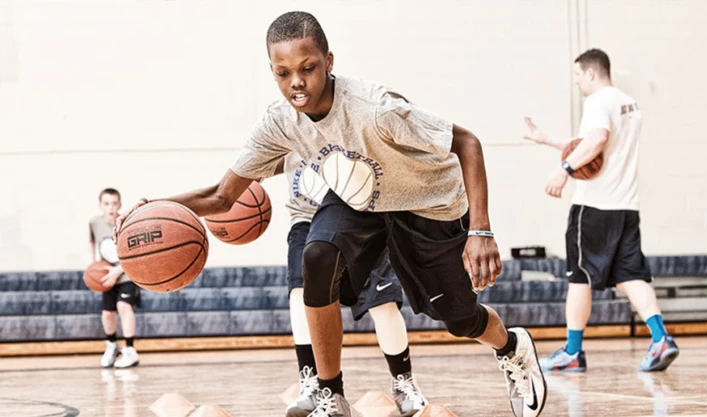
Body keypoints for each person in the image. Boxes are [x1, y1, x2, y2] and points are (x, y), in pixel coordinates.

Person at [116, 11, 546, 416]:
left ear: (329, 62)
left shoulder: (375, 109)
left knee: (458, 318)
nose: (296, 82)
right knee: (317, 255)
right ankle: (330, 393)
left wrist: (481, 231)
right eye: (283, 73)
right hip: (363, 198)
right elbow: (223, 196)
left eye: (308, 68)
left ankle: (511, 348)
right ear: (272, 72)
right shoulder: (281, 122)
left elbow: (467, 143)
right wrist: (156, 206)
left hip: (426, 203)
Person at [524, 48, 679, 373]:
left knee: (579, 278)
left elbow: (596, 140)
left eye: (578, 75)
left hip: (594, 207)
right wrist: (546, 139)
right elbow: (592, 144)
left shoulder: (597, 101)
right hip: (626, 207)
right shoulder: (629, 104)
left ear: (592, 73)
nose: (577, 82)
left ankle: (572, 352)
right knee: (631, 275)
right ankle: (661, 338)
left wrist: (564, 169)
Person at [281, 153, 428, 417]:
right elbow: (255, 167)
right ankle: (312, 382)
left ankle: (403, 381)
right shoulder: (279, 129)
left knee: (382, 298)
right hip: (306, 218)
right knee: (300, 292)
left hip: (361, 215)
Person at [90, 188, 140, 368]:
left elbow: (135, 252)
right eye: (106, 203)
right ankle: (112, 346)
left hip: (127, 274)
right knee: (107, 313)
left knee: (123, 306)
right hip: (107, 275)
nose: (110, 207)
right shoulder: (95, 223)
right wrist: (95, 265)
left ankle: (130, 350)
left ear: (120, 205)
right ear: (100, 205)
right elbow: (93, 242)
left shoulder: (126, 222)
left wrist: (117, 270)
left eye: (114, 203)